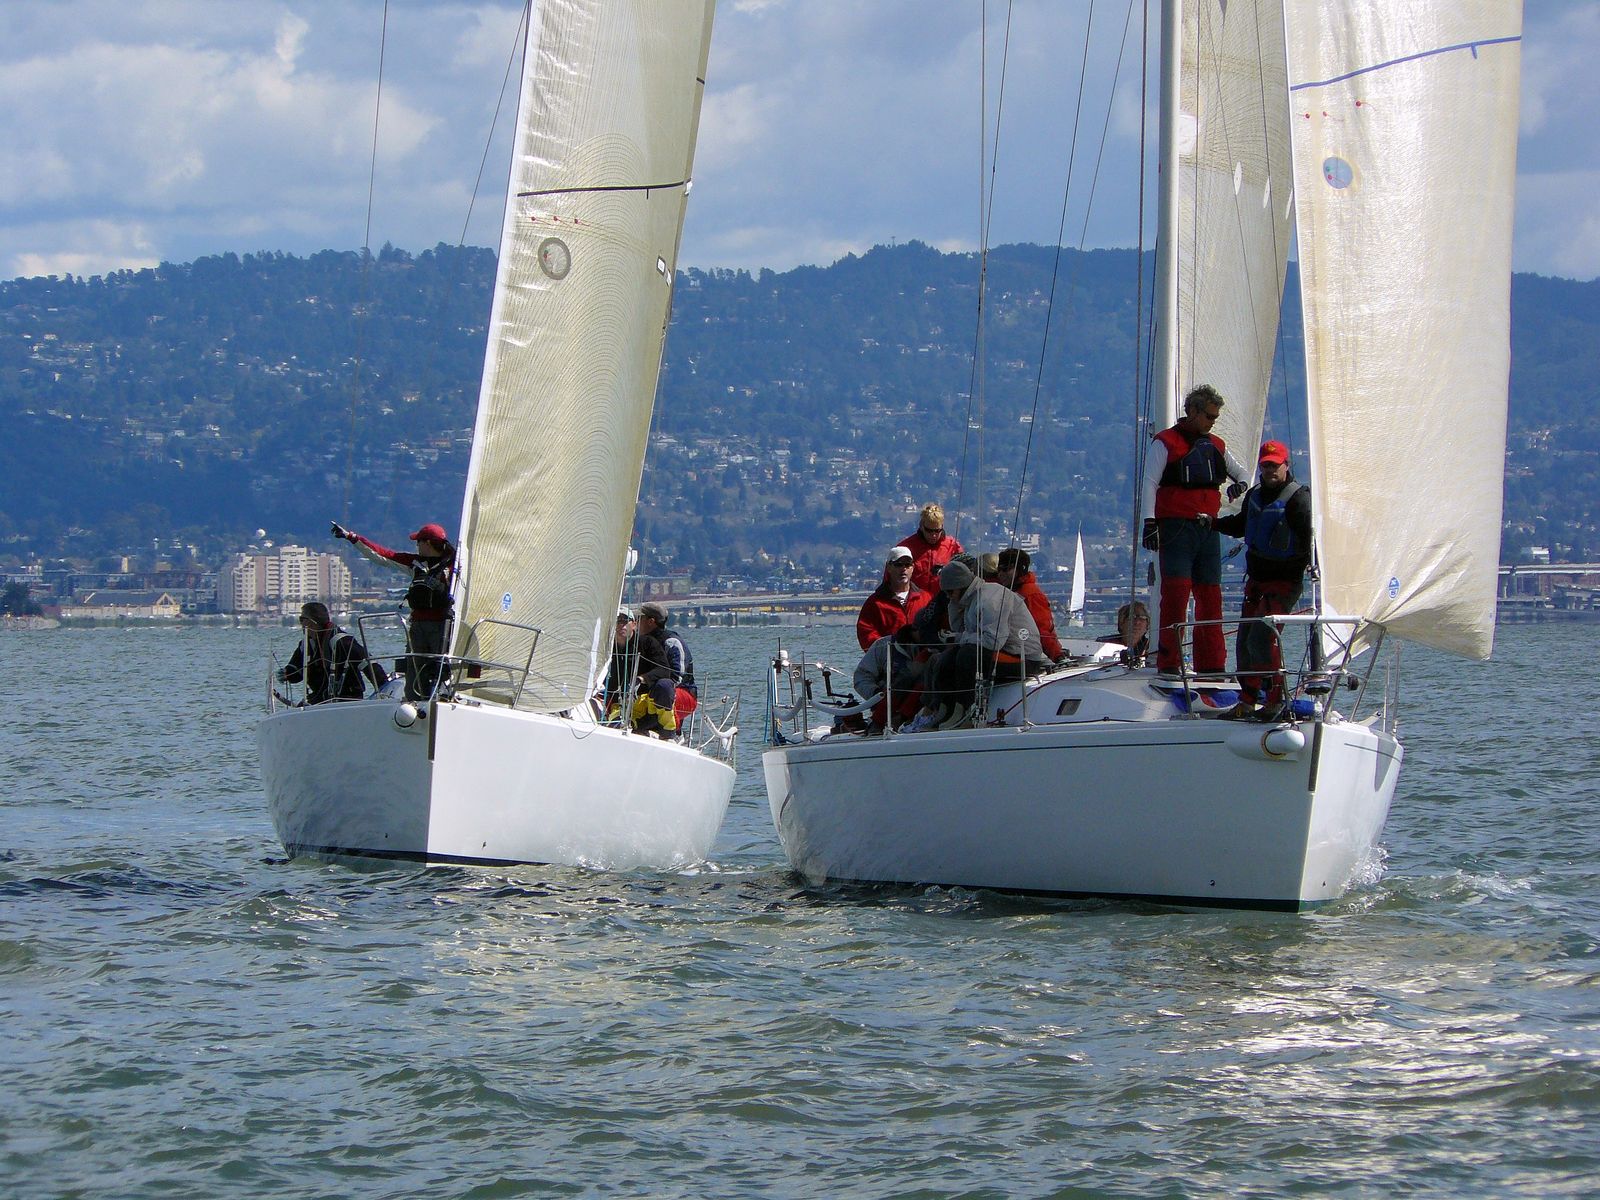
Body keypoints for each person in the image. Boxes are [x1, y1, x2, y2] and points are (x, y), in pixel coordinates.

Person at [1139, 384, 1250, 676]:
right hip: (1176, 529)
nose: (1212, 421)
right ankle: (1169, 663)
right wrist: (1149, 522)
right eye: (1209, 416)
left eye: (1215, 417)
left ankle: (1212, 664)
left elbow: (1242, 472)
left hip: (1207, 530)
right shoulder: (1165, 443)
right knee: (1175, 596)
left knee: (1210, 597)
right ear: (1193, 411)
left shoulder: (1216, 445)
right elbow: (1150, 483)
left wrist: (1240, 484)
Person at [1215, 440, 1316, 715]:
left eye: (1275, 465)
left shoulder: (1299, 499)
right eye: (1265, 465)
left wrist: (1313, 565)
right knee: (1244, 644)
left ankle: (1275, 700)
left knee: (1261, 639)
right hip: (1257, 582)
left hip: (1284, 583)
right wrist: (1212, 523)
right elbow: (1240, 525)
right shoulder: (1255, 496)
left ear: (1286, 465)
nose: (1270, 470)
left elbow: (1310, 539)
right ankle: (1248, 702)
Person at [908, 559, 1048, 731]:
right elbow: (961, 630)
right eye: (945, 593)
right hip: (1000, 652)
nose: (949, 596)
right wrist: (954, 607)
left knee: (968, 655)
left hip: (1023, 658)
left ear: (961, 586)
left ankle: (969, 711)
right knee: (944, 657)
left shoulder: (989, 599)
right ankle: (943, 710)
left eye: (950, 592)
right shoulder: (970, 599)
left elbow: (993, 641)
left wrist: (960, 638)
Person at [333, 520, 456, 701]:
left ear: (428, 543)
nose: (416, 545)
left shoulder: (455, 566)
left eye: (418, 541)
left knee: (442, 666)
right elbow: (382, 555)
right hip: (417, 626)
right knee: (415, 670)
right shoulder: (414, 563)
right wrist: (352, 538)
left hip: (443, 627)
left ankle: (444, 698)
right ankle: (415, 702)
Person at [276, 601, 388, 705]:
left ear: (312, 622)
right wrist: (286, 674)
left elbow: (368, 664)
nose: (300, 623)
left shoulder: (342, 641)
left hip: (347, 699)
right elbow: (296, 673)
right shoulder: (305, 645)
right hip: (320, 698)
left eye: (302, 619)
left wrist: (384, 690)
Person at [633, 602, 697, 738]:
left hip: (682, 694)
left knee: (663, 687)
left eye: (639, 618)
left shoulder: (672, 642)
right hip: (651, 694)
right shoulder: (639, 642)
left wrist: (648, 684)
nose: (635, 622)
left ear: (651, 621)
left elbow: (677, 678)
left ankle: (668, 730)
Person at [851, 625, 927, 733]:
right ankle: (879, 723)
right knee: (904, 679)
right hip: (885, 707)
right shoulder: (883, 645)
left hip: (922, 709)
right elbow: (861, 677)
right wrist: (876, 695)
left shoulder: (936, 648)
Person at [856, 545, 931, 650]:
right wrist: (886, 650)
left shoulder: (925, 598)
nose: (903, 569)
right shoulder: (875, 602)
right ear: (889, 568)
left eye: (907, 564)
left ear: (913, 568)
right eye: (898, 564)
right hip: (889, 657)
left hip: (921, 656)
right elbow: (866, 632)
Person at [995, 547, 1063, 661]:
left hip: (1024, 654)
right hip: (1010, 648)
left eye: (1006, 569)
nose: (1001, 574)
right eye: (999, 570)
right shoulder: (1006, 591)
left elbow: (1042, 629)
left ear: (1020, 570)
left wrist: (1057, 656)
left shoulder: (1030, 594)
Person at [896, 502, 965, 599]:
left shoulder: (952, 547)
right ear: (921, 526)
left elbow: (964, 575)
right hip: (914, 601)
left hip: (944, 602)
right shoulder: (906, 548)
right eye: (929, 530)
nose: (933, 535)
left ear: (942, 527)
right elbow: (891, 578)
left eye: (937, 531)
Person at [599, 607, 638, 722]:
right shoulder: (603, 647)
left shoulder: (645, 644)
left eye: (625, 621)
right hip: (606, 695)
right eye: (617, 621)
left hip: (632, 698)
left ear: (634, 624)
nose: (621, 624)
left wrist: (641, 679)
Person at [1101, 600, 1152, 664]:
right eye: (1132, 617)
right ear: (1121, 623)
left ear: (1147, 625)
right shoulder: (1103, 645)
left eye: (1142, 618)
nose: (1137, 622)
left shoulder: (1152, 647)